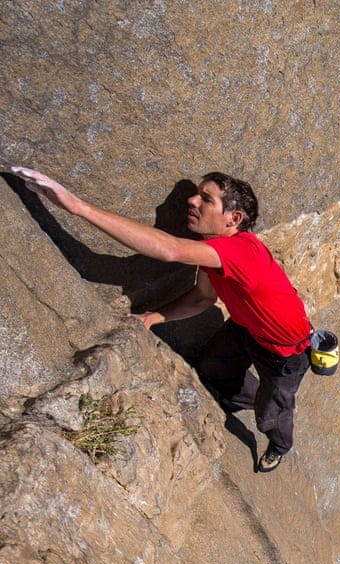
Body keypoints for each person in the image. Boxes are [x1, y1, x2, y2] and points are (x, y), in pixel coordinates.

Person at [12, 166, 312, 473]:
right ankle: (254, 398)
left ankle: (279, 442)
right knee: (212, 368)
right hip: (245, 326)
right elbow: (203, 297)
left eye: (205, 199)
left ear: (233, 219)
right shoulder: (212, 250)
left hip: (284, 350)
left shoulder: (241, 251)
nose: (193, 201)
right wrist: (153, 317)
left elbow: (170, 250)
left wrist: (78, 207)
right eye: (196, 193)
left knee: (270, 415)